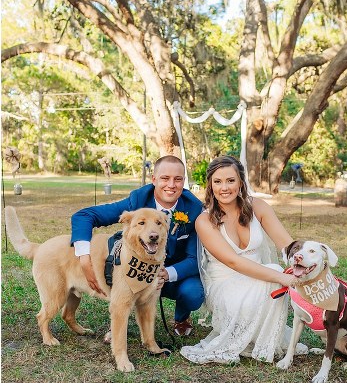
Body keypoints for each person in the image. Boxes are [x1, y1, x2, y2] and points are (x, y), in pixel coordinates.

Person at [179, 156, 302, 364]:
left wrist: (307, 262)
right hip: (224, 285)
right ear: (210, 185)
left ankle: (262, 340)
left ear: (241, 183)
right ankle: (254, 342)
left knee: (272, 274)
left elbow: (288, 246)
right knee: (273, 273)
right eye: (217, 182)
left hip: (260, 278)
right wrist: (284, 278)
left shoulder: (259, 207)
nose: (224, 187)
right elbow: (233, 262)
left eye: (230, 180)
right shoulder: (204, 220)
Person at [71, 155, 205, 338]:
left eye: (178, 179)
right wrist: (84, 258)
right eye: (165, 178)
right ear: (154, 180)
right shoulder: (137, 201)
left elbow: (194, 258)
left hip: (172, 274)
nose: (171, 185)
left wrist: (167, 273)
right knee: (121, 275)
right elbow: (84, 216)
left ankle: (181, 318)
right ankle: (120, 318)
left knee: (194, 292)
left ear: (184, 181)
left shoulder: (194, 209)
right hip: (136, 271)